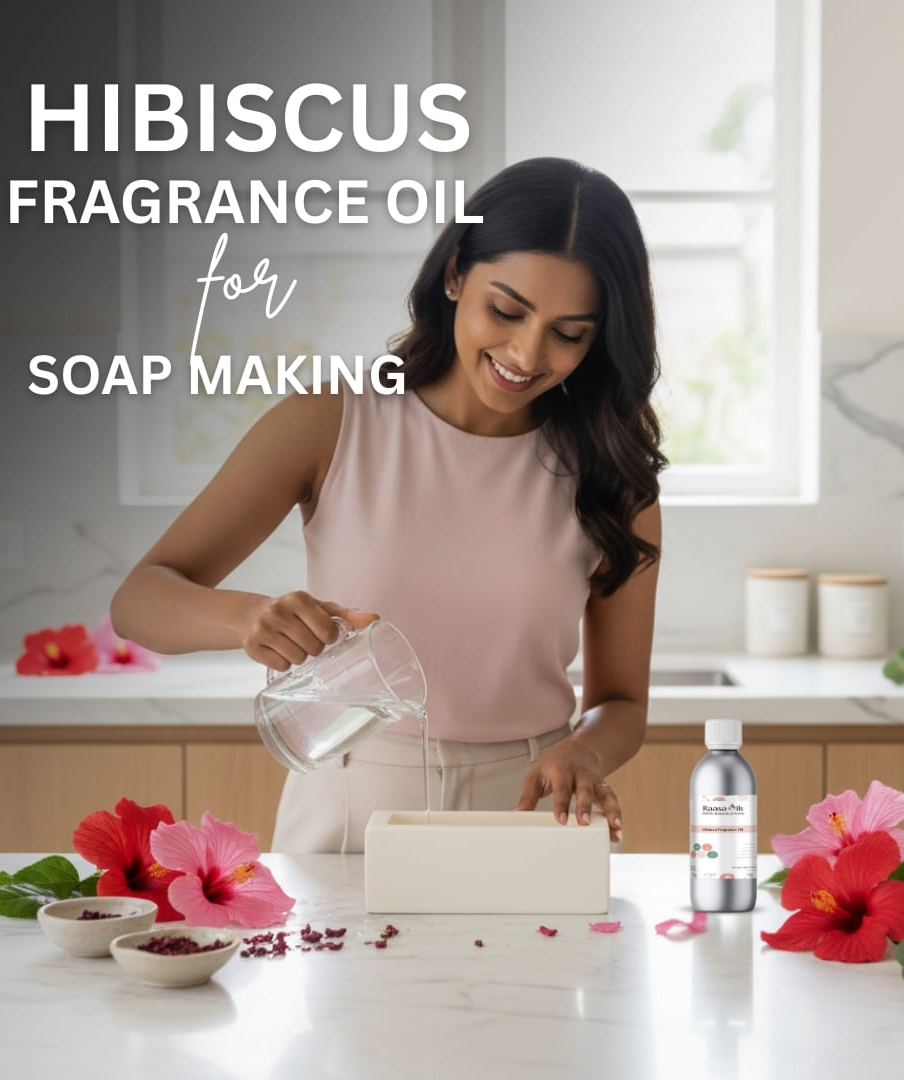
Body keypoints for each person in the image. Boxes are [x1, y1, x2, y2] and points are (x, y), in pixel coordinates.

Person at [111, 157, 666, 853]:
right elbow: (140, 600)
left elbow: (623, 704)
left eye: (569, 332)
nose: (527, 352)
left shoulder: (613, 474)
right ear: (456, 272)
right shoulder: (331, 421)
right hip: (349, 803)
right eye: (506, 309)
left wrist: (584, 753)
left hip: (531, 812)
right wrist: (249, 617)